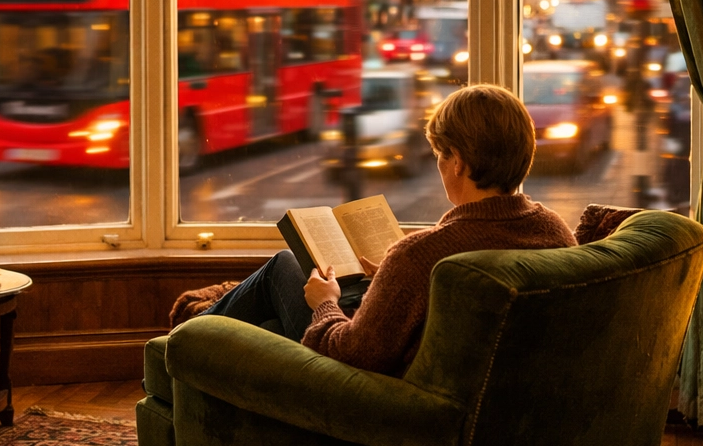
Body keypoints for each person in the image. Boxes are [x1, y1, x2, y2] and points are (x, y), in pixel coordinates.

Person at [201, 82, 576, 376]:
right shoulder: (555, 231)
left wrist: (325, 303)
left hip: (375, 392)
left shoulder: (420, 255)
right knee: (270, 325)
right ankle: (190, 361)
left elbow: (351, 354)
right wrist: (392, 283)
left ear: (457, 162)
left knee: (283, 266)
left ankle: (177, 349)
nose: (439, 167)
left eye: (438, 156)